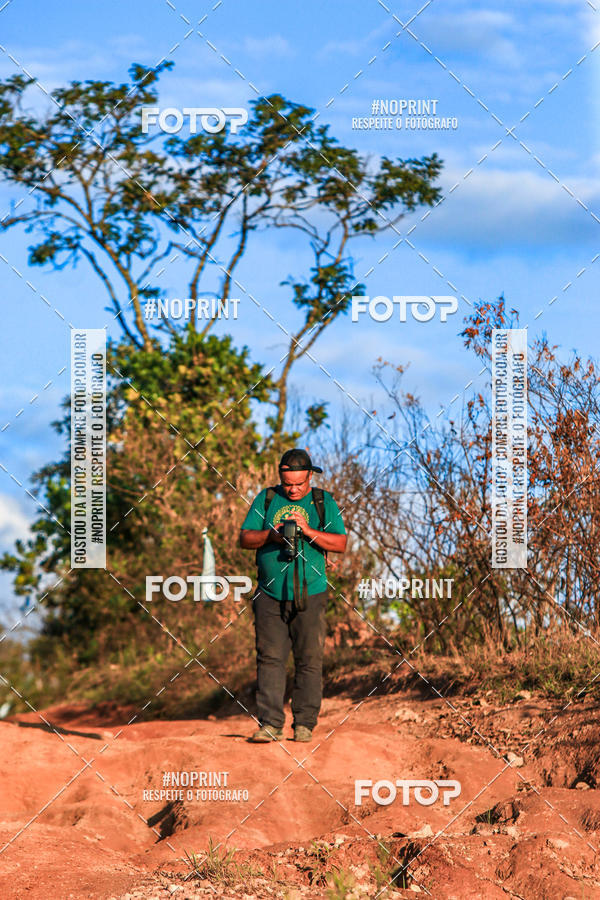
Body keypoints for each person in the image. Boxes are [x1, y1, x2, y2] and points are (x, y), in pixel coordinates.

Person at [239, 449, 347, 743]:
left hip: (311, 591)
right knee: (270, 658)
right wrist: (272, 535)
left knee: (309, 659)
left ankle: (304, 724)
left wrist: (308, 530)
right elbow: (245, 537)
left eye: (299, 483)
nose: (294, 489)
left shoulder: (323, 502)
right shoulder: (267, 499)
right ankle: (270, 724)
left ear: (310, 476)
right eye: (288, 484)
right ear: (280, 478)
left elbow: (340, 543)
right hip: (269, 592)